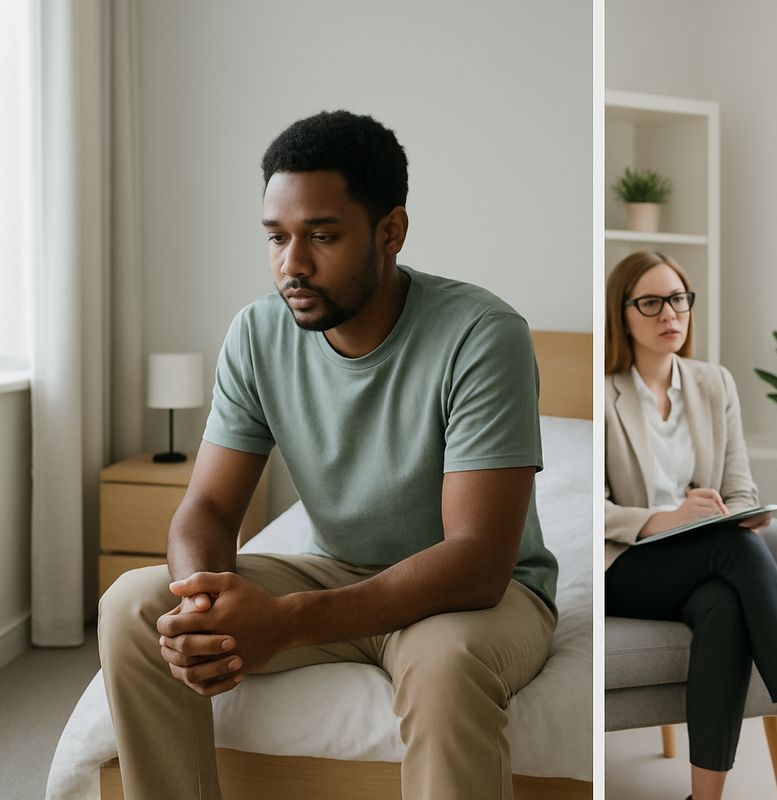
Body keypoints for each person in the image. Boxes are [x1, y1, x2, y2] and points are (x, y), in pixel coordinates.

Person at [97, 110, 559, 800]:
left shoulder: (482, 334)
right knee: (134, 606)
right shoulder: (257, 333)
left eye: (322, 236)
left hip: (472, 595)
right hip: (334, 569)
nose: (293, 264)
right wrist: (203, 603)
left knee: (446, 664)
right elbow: (209, 507)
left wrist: (287, 622)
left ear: (390, 232)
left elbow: (477, 560)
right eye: (276, 237)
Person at [604, 251, 777, 800]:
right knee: (737, 552)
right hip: (622, 563)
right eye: (650, 303)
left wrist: (735, 513)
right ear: (622, 313)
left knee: (723, 606)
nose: (669, 314)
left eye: (678, 299)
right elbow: (594, 507)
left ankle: (703, 797)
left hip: (701, 557)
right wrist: (666, 519)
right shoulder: (602, 389)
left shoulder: (714, 383)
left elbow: (741, 487)